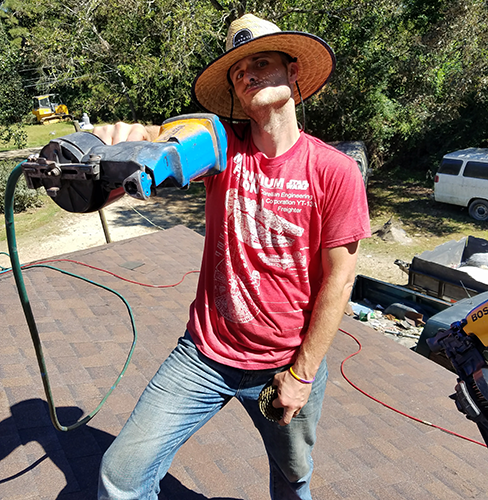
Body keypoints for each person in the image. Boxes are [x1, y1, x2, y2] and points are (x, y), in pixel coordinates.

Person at [96, 13, 371, 500]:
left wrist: (302, 374)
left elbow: (340, 282)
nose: (247, 74)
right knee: (122, 473)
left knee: (293, 479)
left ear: (293, 72)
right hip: (203, 355)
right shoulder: (220, 150)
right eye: (239, 71)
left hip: (285, 361)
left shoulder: (334, 170)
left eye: (261, 62)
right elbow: (158, 159)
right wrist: (114, 156)